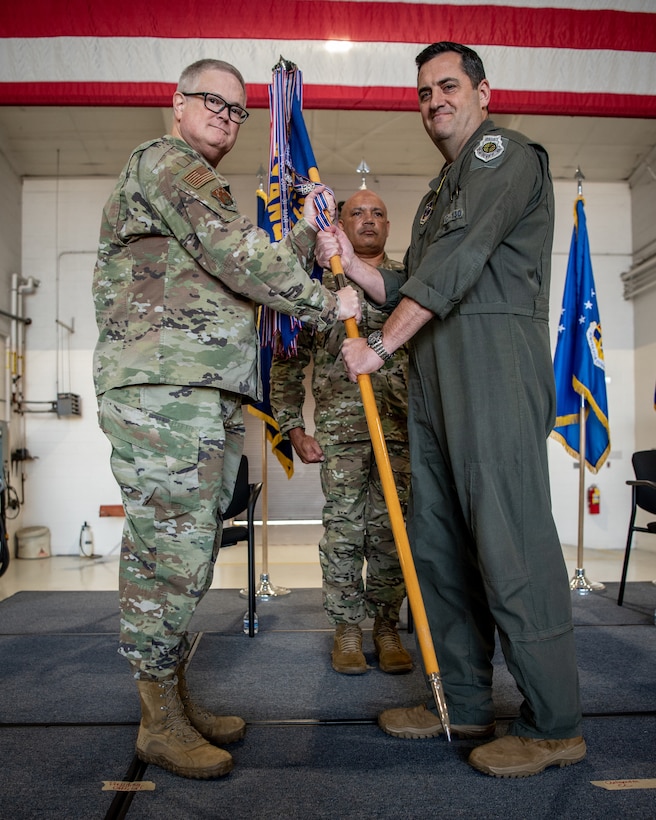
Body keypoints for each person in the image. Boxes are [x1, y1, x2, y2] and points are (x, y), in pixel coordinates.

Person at [317, 42, 586, 778]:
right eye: (424, 92)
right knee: (439, 544)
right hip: (436, 369)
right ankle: (462, 698)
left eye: (447, 86)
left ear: (482, 92)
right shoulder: (443, 186)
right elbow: (414, 274)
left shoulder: (504, 154)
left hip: (492, 360)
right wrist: (358, 264)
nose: (434, 101)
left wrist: (378, 345)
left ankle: (553, 721)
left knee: (509, 540)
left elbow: (460, 262)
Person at [92, 58, 360, 781]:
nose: (226, 115)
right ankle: (158, 722)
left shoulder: (195, 186)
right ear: (176, 104)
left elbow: (236, 271)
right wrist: (325, 302)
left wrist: (306, 237)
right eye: (212, 100)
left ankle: (172, 700)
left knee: (192, 547)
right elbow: (236, 255)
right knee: (168, 553)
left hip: (193, 391)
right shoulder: (167, 161)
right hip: (161, 389)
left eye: (238, 109)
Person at [270, 190, 412, 676]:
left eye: (378, 213)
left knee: (394, 531)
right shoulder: (319, 286)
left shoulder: (408, 284)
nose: (368, 220)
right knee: (345, 532)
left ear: (389, 226)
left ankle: (387, 626)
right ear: (340, 225)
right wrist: (291, 425)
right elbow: (288, 361)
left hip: (400, 429)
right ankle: (347, 629)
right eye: (357, 213)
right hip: (342, 430)